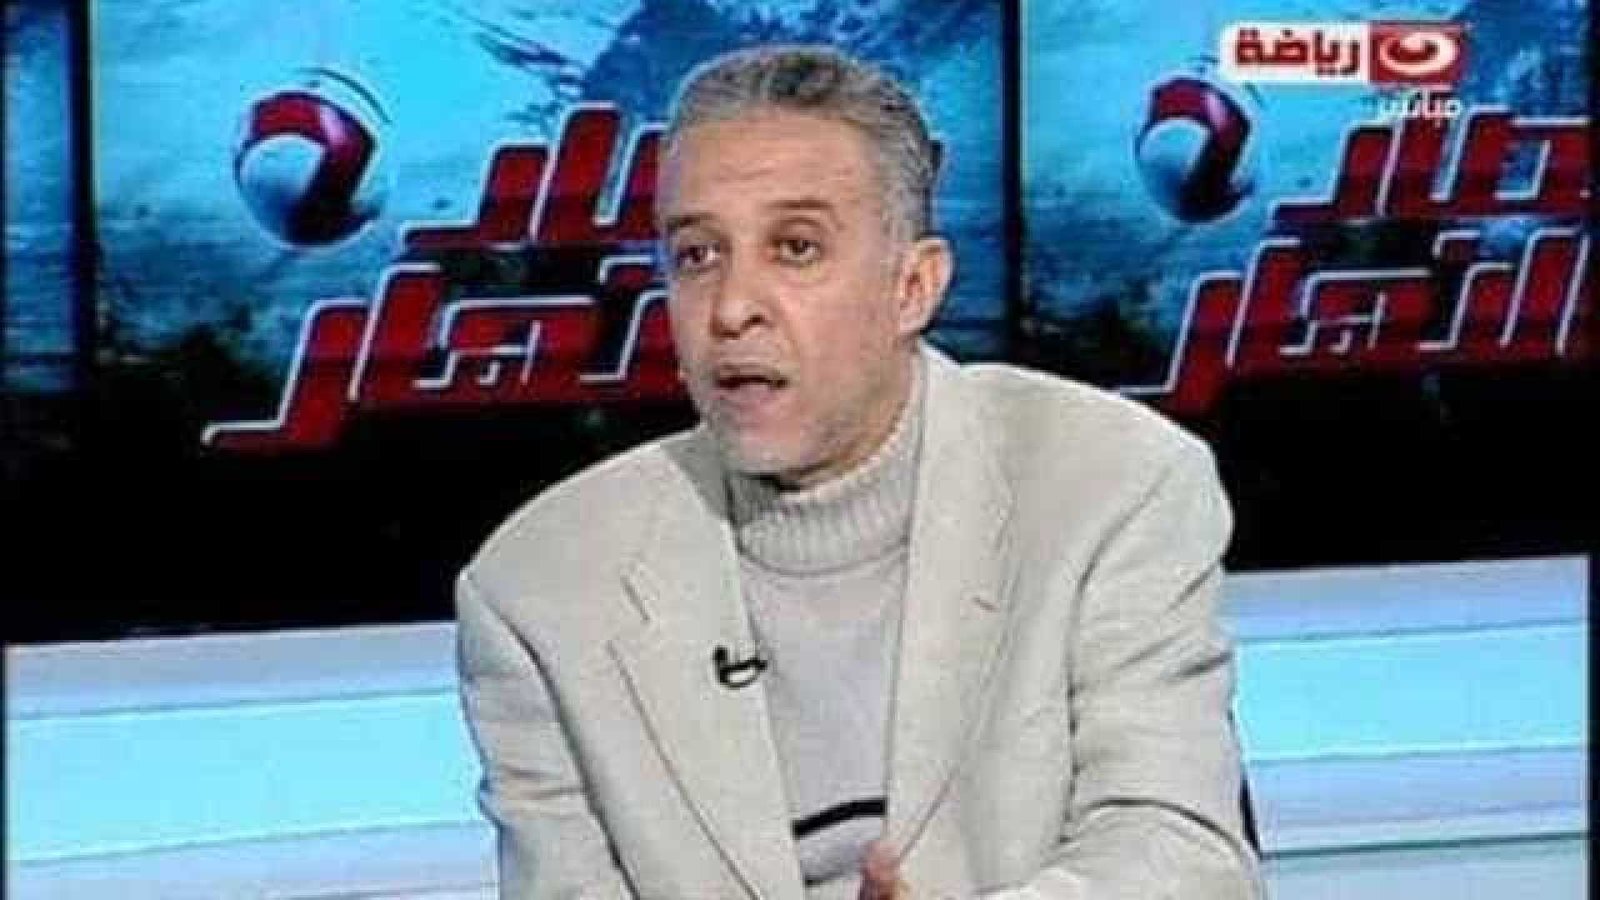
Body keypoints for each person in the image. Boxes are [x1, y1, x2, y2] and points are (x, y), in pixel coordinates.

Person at [456, 44, 1264, 900]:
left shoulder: (1114, 487)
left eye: (795, 247)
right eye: (697, 255)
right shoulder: (539, 593)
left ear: (913, 287)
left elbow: (1183, 857)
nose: (732, 309)